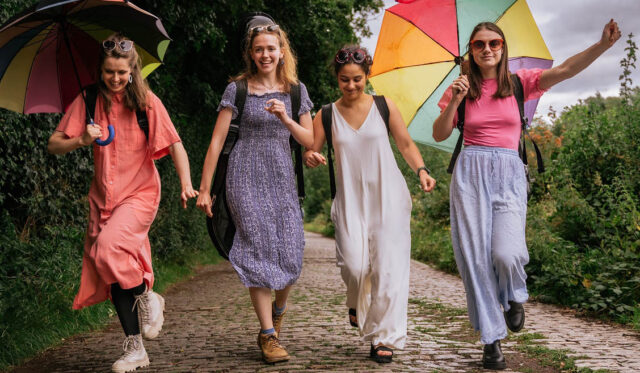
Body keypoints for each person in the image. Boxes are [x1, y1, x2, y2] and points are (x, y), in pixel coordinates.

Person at [432, 20, 621, 370]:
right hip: (470, 174)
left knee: (508, 253)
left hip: (509, 172)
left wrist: (601, 46)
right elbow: (441, 133)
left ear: (503, 48)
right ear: (470, 52)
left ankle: (514, 295)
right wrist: (455, 99)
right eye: (479, 45)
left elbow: (565, 70)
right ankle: (491, 341)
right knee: (475, 261)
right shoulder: (459, 88)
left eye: (494, 43)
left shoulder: (520, 84)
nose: (487, 49)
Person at [47, 33, 198, 373]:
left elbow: (175, 144)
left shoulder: (147, 102)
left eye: (122, 72)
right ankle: (135, 349)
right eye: (109, 72)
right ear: (100, 70)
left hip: (140, 194)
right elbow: (54, 144)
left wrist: (187, 184)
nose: (115, 79)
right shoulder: (87, 101)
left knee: (106, 251)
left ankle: (148, 296)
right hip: (104, 200)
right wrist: (81, 140)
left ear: (133, 70)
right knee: (112, 273)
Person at [303, 45, 436, 363]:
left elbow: (404, 143)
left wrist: (421, 170)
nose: (351, 86)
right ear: (337, 78)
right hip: (351, 201)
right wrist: (311, 157)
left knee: (388, 270)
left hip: (388, 197)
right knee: (355, 267)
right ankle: (356, 304)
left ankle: (383, 338)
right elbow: (311, 150)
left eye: (357, 79)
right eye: (344, 80)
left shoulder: (383, 106)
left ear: (367, 76)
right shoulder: (325, 114)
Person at [195, 14, 313, 364]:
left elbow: (309, 139)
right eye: (259, 49)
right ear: (250, 52)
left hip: (281, 177)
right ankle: (267, 335)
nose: (265, 55)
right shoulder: (238, 89)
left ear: (281, 51)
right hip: (244, 176)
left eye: (271, 49)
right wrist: (205, 189)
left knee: (292, 250)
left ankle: (279, 310)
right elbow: (216, 143)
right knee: (258, 249)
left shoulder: (296, 91)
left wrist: (285, 118)